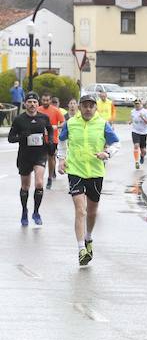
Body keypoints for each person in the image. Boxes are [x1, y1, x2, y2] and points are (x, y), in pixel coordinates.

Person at [57, 94, 120, 265]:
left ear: (95, 108)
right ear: (79, 107)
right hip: (75, 170)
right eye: (84, 105)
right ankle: (80, 249)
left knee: (92, 212)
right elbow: (61, 142)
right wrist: (61, 160)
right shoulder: (70, 123)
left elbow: (116, 144)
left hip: (95, 172)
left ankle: (88, 237)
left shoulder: (102, 124)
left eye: (91, 106)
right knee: (80, 210)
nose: (88, 109)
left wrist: (107, 153)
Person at [8, 92, 52, 226]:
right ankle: (24, 211)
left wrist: (49, 140)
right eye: (29, 102)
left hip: (40, 154)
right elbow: (10, 138)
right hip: (25, 156)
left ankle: (36, 212)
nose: (32, 104)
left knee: (39, 183)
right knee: (25, 186)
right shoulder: (19, 119)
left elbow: (50, 130)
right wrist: (21, 137)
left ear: (38, 104)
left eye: (34, 102)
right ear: (25, 104)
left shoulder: (44, 118)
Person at [38, 94, 65, 189]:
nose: (45, 102)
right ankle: (39, 177)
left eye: (47, 100)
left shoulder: (55, 110)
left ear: (50, 101)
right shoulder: (38, 109)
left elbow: (63, 122)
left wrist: (56, 127)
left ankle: (49, 177)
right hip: (39, 138)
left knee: (51, 158)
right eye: (44, 100)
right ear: (41, 100)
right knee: (39, 159)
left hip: (52, 138)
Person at [129, 99, 147, 169]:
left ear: (141, 104)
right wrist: (130, 121)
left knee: (144, 151)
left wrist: (143, 118)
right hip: (135, 131)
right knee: (136, 145)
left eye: (138, 104)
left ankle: (142, 156)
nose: (137, 105)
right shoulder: (132, 111)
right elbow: (132, 119)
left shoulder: (145, 112)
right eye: (135, 104)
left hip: (143, 132)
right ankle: (136, 161)